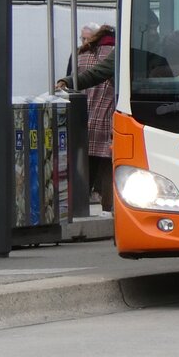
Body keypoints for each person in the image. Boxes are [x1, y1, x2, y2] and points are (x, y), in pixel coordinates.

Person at [75, 24, 116, 214]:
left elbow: (75, 87)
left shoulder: (82, 56)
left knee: (86, 167)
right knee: (109, 166)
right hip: (108, 117)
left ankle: (79, 208)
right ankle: (108, 208)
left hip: (86, 118)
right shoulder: (116, 55)